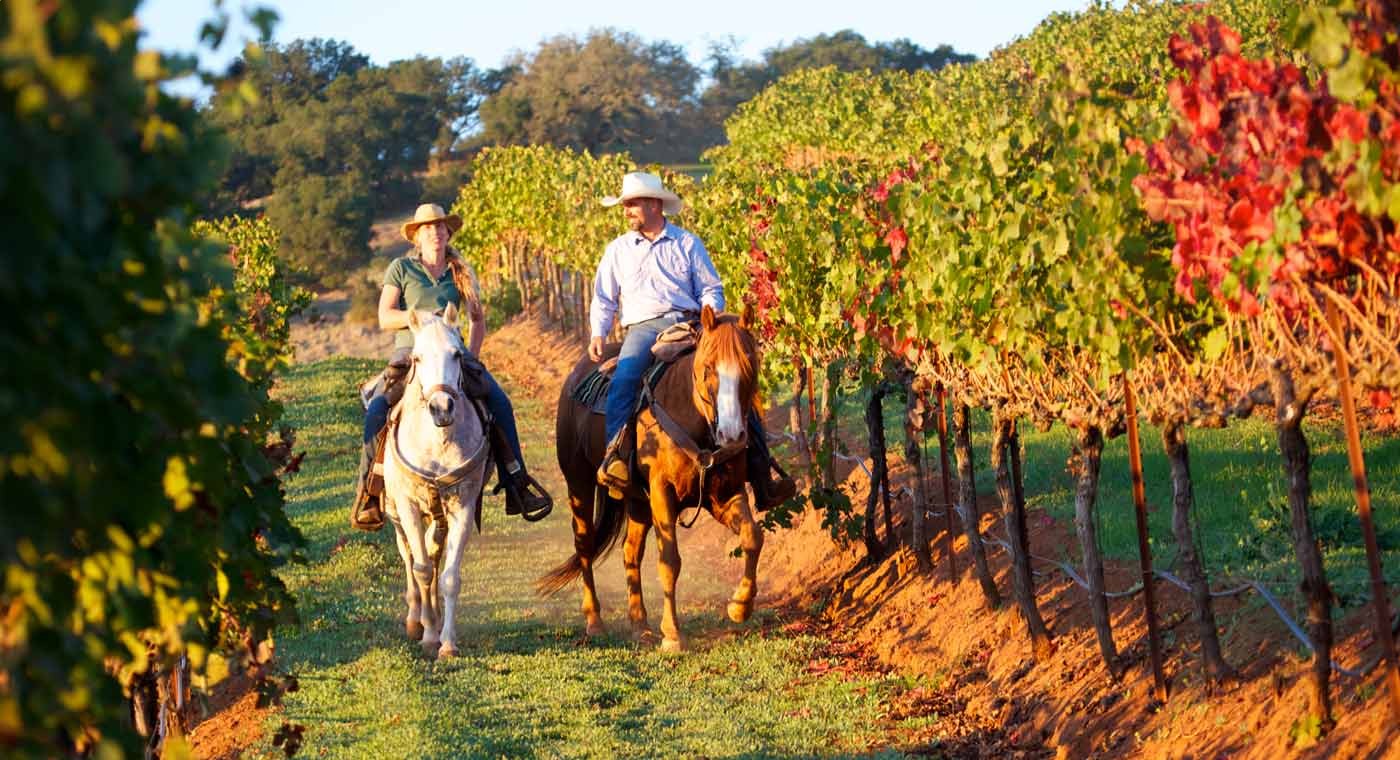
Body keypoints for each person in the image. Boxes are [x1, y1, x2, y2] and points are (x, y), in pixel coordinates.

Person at [590, 172, 796, 508]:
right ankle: (616, 456)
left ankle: (762, 473)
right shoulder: (618, 250)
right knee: (626, 376)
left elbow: (711, 288)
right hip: (643, 328)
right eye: (625, 204)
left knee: (733, 378)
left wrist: (710, 317)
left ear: (654, 205)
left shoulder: (687, 243)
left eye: (632, 203)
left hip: (690, 325)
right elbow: (604, 298)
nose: (626, 210)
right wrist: (598, 332)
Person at [351, 203, 551, 529]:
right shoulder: (400, 268)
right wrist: (417, 318)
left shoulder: (460, 270)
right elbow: (385, 316)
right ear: (416, 235)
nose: (435, 232)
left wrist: (469, 355)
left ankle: (517, 482)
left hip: (452, 356)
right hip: (410, 355)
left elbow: (477, 319)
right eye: (428, 228)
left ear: (448, 233)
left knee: (499, 402)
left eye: (440, 227)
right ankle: (369, 494)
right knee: (377, 410)